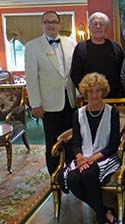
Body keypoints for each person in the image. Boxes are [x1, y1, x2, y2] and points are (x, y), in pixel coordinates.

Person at [25, 11, 77, 175]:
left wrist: (79, 94)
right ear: (42, 25)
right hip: (49, 105)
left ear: (60, 24)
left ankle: (70, 173)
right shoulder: (32, 46)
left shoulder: (71, 43)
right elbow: (31, 78)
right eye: (47, 22)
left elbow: (74, 73)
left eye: (54, 22)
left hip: (70, 100)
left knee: (71, 139)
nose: (51, 25)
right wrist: (35, 103)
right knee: (53, 141)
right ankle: (55, 176)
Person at [66, 72, 120, 224]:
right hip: (83, 158)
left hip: (105, 157)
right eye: (90, 91)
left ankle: (102, 219)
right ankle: (104, 212)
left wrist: (91, 159)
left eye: (98, 90)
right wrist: (80, 158)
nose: (94, 94)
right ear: (85, 92)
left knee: (88, 174)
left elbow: (113, 145)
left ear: (103, 92)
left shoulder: (112, 112)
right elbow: (75, 142)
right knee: (72, 180)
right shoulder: (78, 114)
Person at [71, 12, 124, 98]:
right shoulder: (80, 48)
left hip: (114, 97)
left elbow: (122, 73)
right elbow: (75, 74)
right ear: (89, 27)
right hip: (89, 97)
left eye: (102, 24)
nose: (98, 27)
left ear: (106, 28)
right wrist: (86, 92)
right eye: (95, 24)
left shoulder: (116, 47)